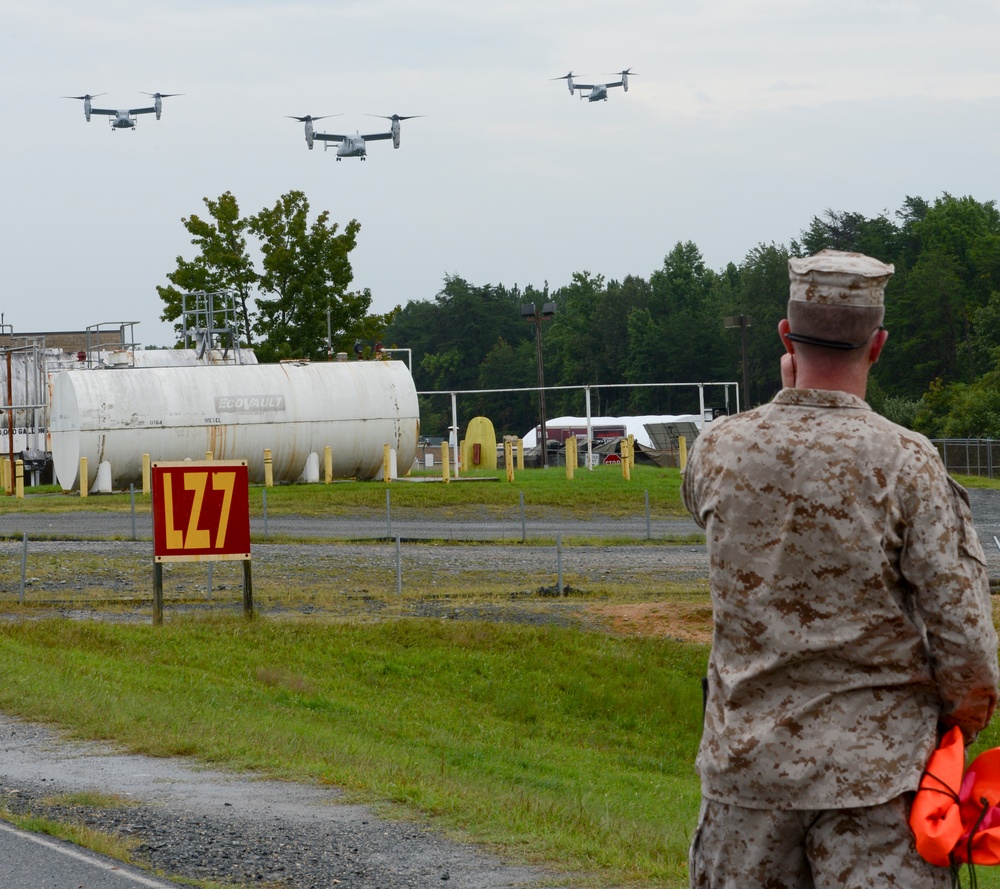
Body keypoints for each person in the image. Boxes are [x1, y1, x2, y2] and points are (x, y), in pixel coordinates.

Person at [682, 249, 1000, 888]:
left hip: (746, 781)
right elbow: (966, 647)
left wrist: (790, 397)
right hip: (878, 790)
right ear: (877, 345)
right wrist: (957, 726)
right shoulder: (908, 463)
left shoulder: (720, 447)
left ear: (784, 336)